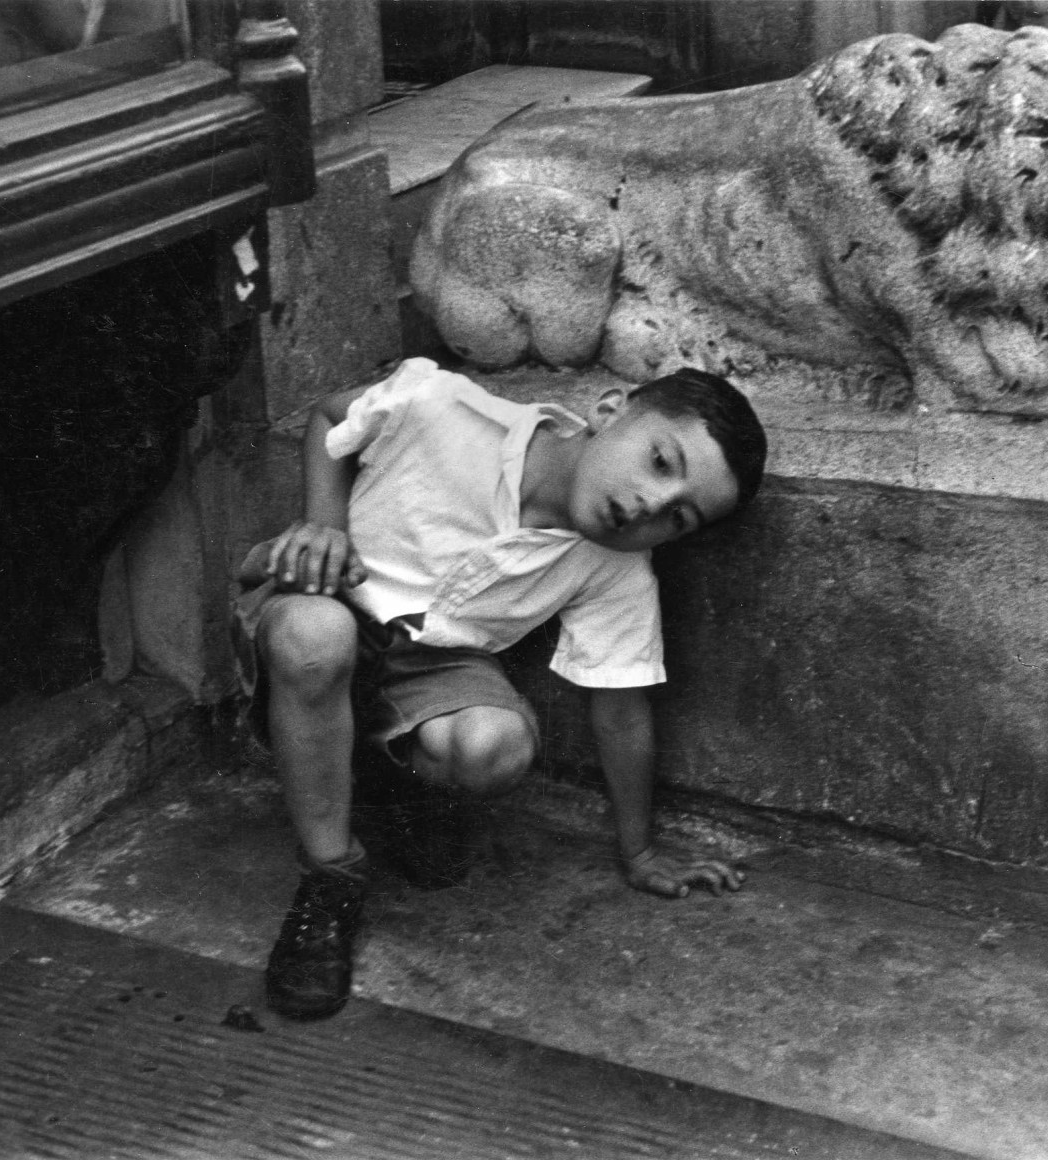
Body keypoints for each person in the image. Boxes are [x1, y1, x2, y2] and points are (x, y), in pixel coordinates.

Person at [232, 356, 768, 1020]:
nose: (649, 506)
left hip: (426, 664)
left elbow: (621, 707)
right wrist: (325, 524)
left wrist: (638, 852)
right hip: (319, 608)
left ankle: (384, 785)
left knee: (496, 746)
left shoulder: (616, 563)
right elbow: (329, 417)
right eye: (660, 463)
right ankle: (330, 877)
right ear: (610, 410)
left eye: (678, 518)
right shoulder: (442, 405)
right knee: (317, 640)